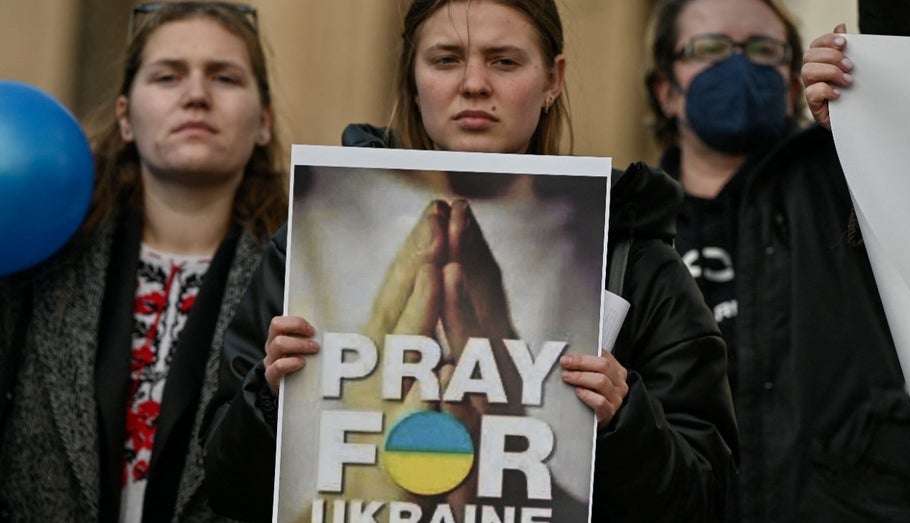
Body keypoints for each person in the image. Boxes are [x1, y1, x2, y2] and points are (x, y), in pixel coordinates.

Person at [201, 0, 737, 521]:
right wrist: (271, 399)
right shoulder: (313, 237)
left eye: (504, 61)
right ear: (413, 77)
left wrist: (623, 421)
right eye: (446, 59)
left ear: (553, 79)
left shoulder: (635, 257)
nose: (474, 83)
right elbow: (227, 487)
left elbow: (709, 496)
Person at [0, 2, 287, 521]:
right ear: (126, 117)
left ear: (263, 122)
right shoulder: (39, 256)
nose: (196, 96)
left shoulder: (297, 278)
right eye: (167, 75)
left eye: (224, 77)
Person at [645, 0, 910, 521]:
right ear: (666, 89)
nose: (738, 63)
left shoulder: (849, 181)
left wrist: (866, 106)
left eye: (763, 49)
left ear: (792, 78)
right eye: (710, 48)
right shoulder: (630, 224)